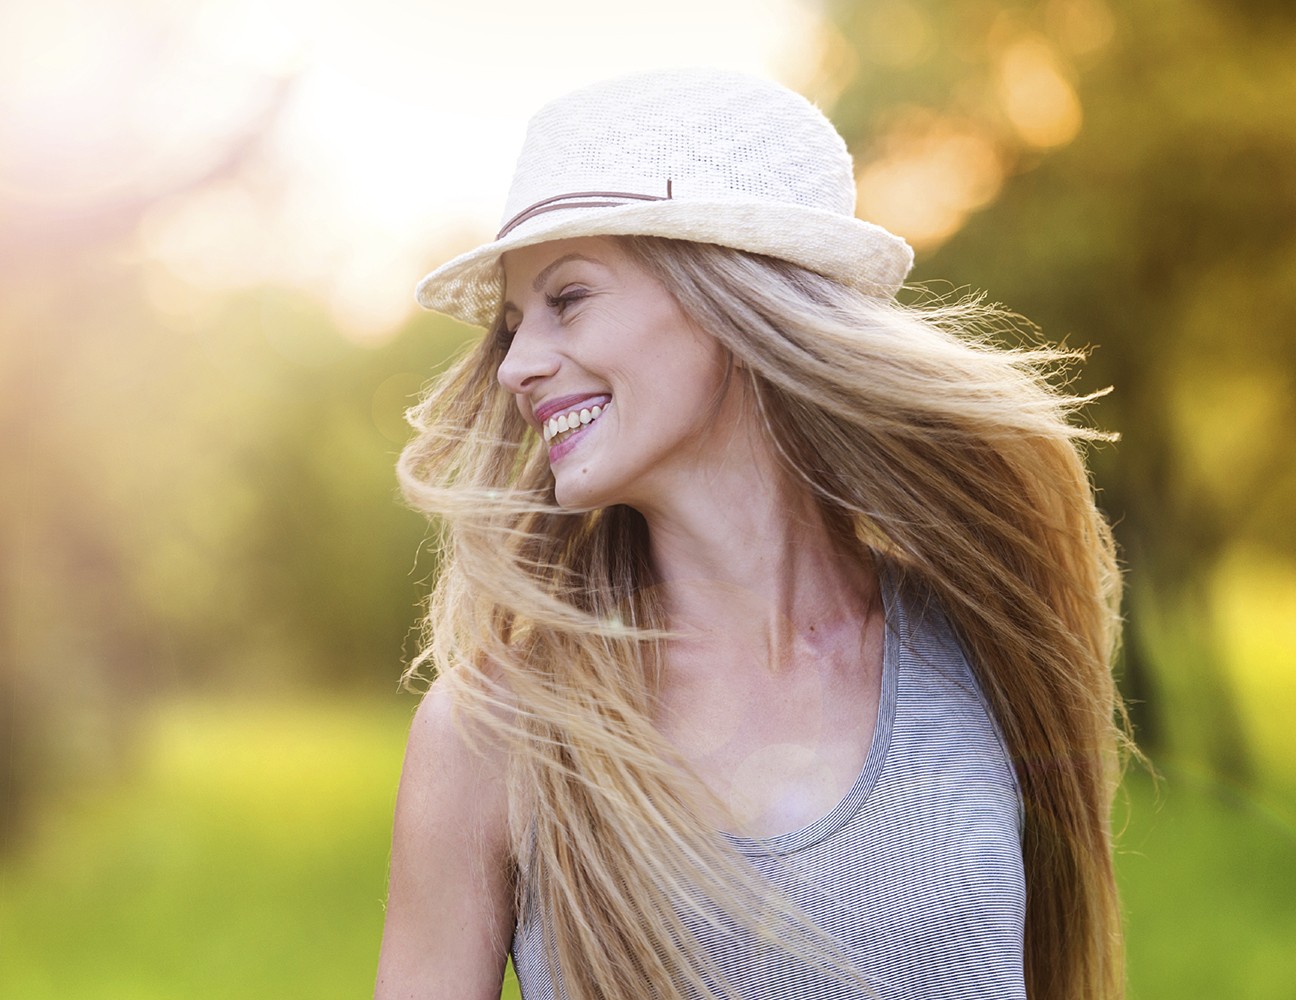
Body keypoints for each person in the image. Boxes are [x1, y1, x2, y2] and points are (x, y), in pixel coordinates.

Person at [375, 69, 1130, 1000]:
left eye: (568, 298)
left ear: (729, 301)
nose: (518, 366)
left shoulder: (987, 641)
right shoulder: (493, 734)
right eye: (513, 323)